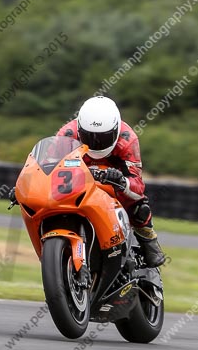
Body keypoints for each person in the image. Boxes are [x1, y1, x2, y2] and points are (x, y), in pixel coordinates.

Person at [56, 96, 166, 268]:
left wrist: (122, 181)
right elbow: (49, 166)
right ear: (79, 128)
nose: (96, 143)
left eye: (102, 138)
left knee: (139, 206)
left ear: (115, 130)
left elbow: (137, 185)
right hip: (78, 175)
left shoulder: (128, 138)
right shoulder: (67, 135)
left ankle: (148, 239)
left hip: (113, 178)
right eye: (89, 137)